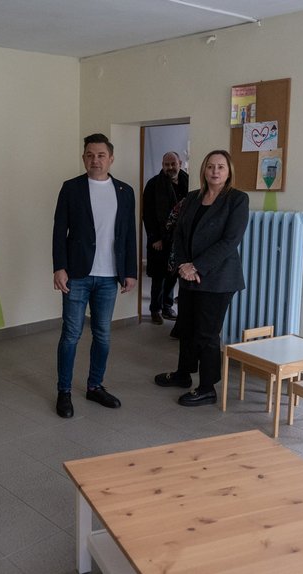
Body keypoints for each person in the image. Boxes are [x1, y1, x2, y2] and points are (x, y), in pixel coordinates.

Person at [153, 150, 248, 406]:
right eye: (210, 166)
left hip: (217, 279)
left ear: (228, 171)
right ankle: (183, 374)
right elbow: (180, 234)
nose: (215, 171)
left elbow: (230, 241)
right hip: (188, 275)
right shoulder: (193, 197)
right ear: (203, 170)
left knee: (207, 334)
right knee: (185, 328)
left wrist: (196, 266)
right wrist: (184, 265)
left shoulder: (237, 199)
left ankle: (207, 388)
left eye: (220, 167)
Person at [52, 133, 137, 418]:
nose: (95, 160)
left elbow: (129, 234)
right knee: (71, 335)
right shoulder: (71, 188)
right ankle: (64, 391)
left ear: (111, 158)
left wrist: (130, 271)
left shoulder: (125, 191)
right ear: (83, 158)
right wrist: (59, 267)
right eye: (89, 155)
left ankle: (94, 386)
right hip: (76, 274)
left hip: (109, 276)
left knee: (102, 335)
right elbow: (59, 231)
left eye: (101, 155)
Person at [142, 151, 189, 324]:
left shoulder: (188, 181)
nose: (170, 167)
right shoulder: (153, 184)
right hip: (159, 239)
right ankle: (155, 309)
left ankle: (167, 306)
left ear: (180, 163)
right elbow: (148, 214)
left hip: (179, 239)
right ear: (162, 165)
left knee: (173, 274)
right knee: (158, 276)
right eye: (166, 164)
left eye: (173, 164)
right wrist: (155, 238)